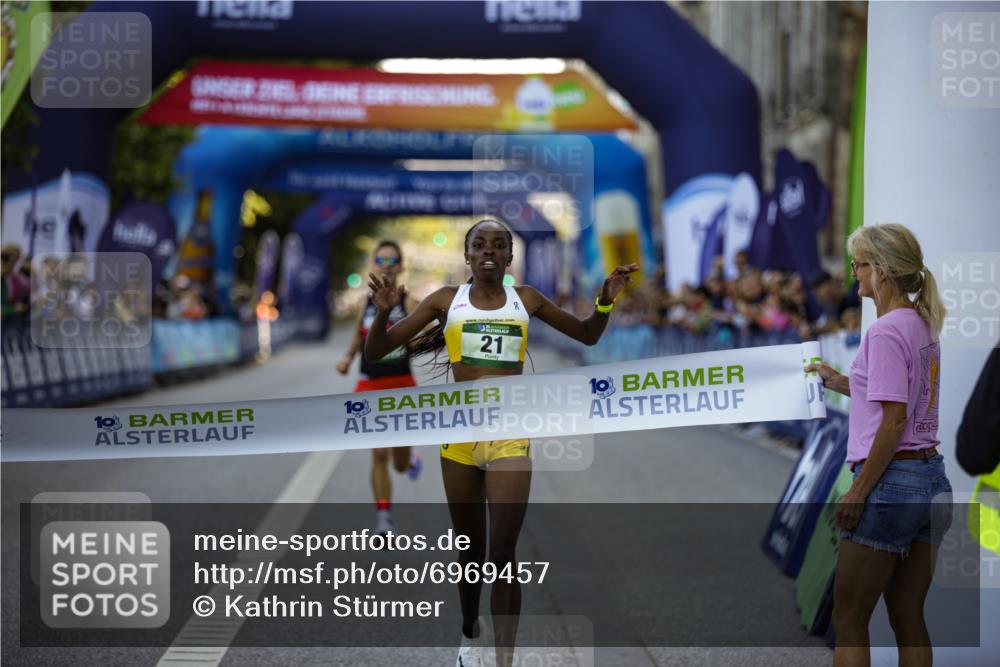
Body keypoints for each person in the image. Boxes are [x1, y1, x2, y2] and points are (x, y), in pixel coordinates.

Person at [365, 219, 637, 667]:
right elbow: (378, 352)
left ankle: (504, 660)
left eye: (498, 245)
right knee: (470, 552)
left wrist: (604, 303)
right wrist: (382, 311)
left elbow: (586, 334)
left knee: (503, 554)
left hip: (511, 436)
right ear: (467, 254)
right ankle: (471, 630)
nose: (488, 251)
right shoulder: (443, 301)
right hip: (459, 440)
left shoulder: (525, 298)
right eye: (479, 244)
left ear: (510, 257)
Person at [805, 223, 951, 667]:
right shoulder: (920, 323)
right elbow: (892, 398)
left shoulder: (885, 332)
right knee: (908, 616)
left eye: (860, 263)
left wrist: (857, 491)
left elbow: (893, 423)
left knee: (849, 617)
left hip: (892, 484)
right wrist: (838, 381)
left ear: (882, 271)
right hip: (930, 479)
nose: (853, 272)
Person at [337, 240, 422, 538]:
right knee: (379, 455)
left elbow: (422, 338)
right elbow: (359, 334)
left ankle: (411, 459)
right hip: (370, 385)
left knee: (399, 464)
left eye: (392, 261)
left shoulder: (410, 302)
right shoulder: (366, 301)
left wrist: (412, 340)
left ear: (400, 267)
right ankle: (384, 518)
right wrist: (348, 358)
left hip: (401, 386)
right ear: (373, 265)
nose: (386, 266)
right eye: (380, 261)